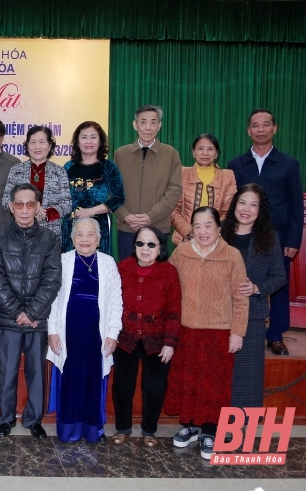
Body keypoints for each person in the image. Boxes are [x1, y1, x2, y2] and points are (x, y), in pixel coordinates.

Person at [165, 206, 248, 460]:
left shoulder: (232, 255)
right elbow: (168, 286)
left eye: (208, 225)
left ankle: (210, 431)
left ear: (219, 228)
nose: (202, 231)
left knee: (215, 384)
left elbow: (241, 297)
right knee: (188, 379)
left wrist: (238, 332)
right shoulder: (181, 252)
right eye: (197, 225)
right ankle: (189, 426)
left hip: (219, 330)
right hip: (186, 329)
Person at [228, 109, 303, 356]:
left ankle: (276, 335)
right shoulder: (236, 164)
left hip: (278, 237)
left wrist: (293, 239)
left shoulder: (289, 164)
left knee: (277, 285)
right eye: (255, 125)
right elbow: (230, 203)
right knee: (241, 283)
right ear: (248, 130)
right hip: (243, 235)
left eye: (266, 125)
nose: (260, 129)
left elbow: (296, 204)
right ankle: (237, 328)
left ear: (275, 128)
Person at [0, 183, 62, 438]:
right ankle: (6, 419)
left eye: (30, 205)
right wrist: (17, 312)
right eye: (18, 204)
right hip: (8, 318)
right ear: (10, 207)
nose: (24, 210)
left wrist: (31, 313)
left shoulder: (51, 239)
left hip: (37, 320)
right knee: (6, 374)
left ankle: (33, 420)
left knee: (36, 373)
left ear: (38, 207)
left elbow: (52, 279)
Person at [46, 218, 122, 443]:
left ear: (99, 240)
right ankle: (69, 431)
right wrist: (52, 330)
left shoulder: (108, 263)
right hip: (68, 332)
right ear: (72, 239)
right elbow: (53, 299)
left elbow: (116, 300)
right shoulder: (63, 260)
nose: (85, 239)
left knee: (92, 380)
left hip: (96, 335)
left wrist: (112, 333)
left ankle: (92, 431)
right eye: (80, 234)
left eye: (91, 235)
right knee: (70, 380)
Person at [110, 226, 181, 447]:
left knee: (154, 387)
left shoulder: (169, 272)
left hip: (157, 340)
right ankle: (123, 429)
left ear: (160, 247)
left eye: (151, 244)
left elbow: (174, 310)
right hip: (126, 338)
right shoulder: (122, 268)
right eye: (140, 243)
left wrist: (169, 343)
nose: (145, 248)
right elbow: (111, 303)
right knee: (122, 386)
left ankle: (149, 430)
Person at [221, 184, 286, 409]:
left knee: (246, 374)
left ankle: (239, 423)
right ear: (234, 205)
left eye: (253, 204)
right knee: (217, 371)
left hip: (253, 315)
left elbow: (280, 276)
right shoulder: (219, 233)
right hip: (217, 314)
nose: (246, 209)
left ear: (261, 210)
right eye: (242, 202)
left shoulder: (268, 238)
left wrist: (258, 288)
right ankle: (212, 422)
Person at [114, 105, 182, 260]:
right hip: (127, 228)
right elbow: (113, 189)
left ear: (159, 126)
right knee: (127, 277)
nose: (148, 127)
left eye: (153, 122)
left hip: (157, 227)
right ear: (135, 125)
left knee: (156, 279)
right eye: (143, 122)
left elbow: (174, 190)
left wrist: (150, 216)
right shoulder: (121, 154)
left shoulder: (170, 154)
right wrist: (126, 216)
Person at [62, 121, 125, 255]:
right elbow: (61, 197)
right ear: (77, 142)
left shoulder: (108, 167)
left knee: (97, 267)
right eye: (84, 137)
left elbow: (118, 198)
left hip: (98, 226)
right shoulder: (68, 167)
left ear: (100, 141)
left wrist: (91, 211)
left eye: (93, 137)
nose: (88, 141)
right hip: (71, 225)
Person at [2, 126, 71, 244]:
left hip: (50, 233)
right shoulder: (16, 170)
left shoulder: (59, 171)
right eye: (33, 142)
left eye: (42, 142)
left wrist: (46, 213)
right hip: (20, 232)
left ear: (49, 146)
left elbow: (67, 205)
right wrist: (27, 210)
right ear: (27, 145)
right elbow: (5, 201)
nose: (37, 146)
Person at [171, 134, 237, 245]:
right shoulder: (181, 173)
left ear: (216, 154)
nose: (205, 153)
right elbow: (173, 210)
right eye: (200, 148)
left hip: (216, 241)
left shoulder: (227, 176)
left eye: (210, 149)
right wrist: (190, 232)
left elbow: (229, 211)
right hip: (185, 240)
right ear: (193, 152)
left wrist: (210, 234)